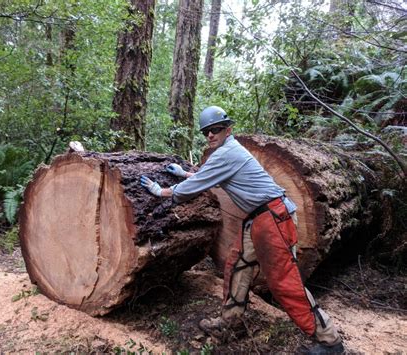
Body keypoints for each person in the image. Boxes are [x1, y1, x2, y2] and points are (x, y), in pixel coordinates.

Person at [140, 106, 345, 354]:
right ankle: (230, 322)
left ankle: (329, 341)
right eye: (206, 132)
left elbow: (194, 187)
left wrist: (161, 192)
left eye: (215, 130)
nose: (210, 135)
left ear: (228, 129)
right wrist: (185, 172)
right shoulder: (226, 151)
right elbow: (209, 175)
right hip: (259, 218)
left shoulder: (228, 153)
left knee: (283, 282)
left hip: (274, 217)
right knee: (237, 265)